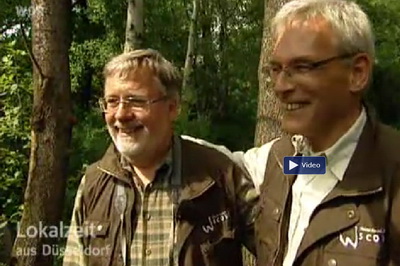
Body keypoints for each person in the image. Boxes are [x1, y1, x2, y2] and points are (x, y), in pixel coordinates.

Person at [185, 0, 400, 265]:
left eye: (302, 67)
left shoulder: (391, 173)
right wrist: (163, 138)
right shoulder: (292, 161)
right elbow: (228, 164)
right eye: (276, 69)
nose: (280, 86)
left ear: (357, 72)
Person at [63, 49, 257, 266]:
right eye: (112, 102)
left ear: (172, 107)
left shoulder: (219, 175)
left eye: (135, 101)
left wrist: (302, 166)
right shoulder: (93, 184)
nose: (120, 114)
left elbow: (280, 249)